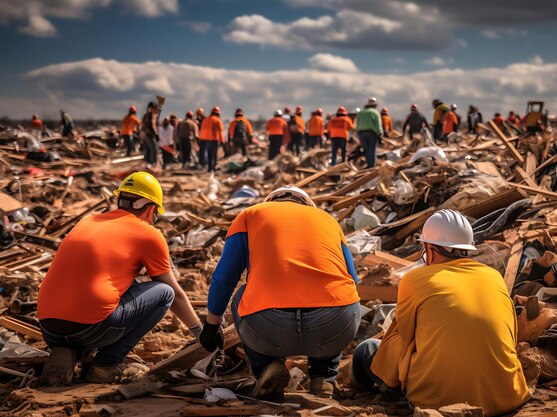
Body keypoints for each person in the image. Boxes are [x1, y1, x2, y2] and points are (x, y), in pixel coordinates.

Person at [352, 209, 530, 415]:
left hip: (438, 401)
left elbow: (404, 334)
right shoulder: (494, 276)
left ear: (432, 249)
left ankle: (360, 393)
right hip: (506, 397)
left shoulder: (415, 280)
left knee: (366, 350)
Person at [38, 172, 203, 384]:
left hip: (49, 328)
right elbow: (175, 294)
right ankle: (106, 364)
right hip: (90, 329)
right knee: (164, 293)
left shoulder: (87, 221)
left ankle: (68, 350)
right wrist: (200, 333)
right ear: (151, 209)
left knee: (122, 285)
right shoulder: (148, 234)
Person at [198, 186, 360, 400]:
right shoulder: (327, 220)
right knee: (339, 294)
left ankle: (267, 367)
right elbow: (353, 279)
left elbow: (224, 278)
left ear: (270, 202)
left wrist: (211, 325)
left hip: (269, 327)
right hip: (333, 326)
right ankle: (323, 378)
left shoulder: (250, 215)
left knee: (241, 296)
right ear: (307, 204)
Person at [355, 97, 383, 168]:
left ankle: (369, 163)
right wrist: (380, 134)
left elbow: (356, 124)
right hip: (371, 133)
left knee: (366, 149)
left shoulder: (360, 113)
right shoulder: (375, 112)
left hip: (361, 133)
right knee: (372, 150)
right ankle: (371, 165)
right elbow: (378, 125)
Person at [199, 107, 224, 173]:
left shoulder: (205, 120)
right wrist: (223, 141)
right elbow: (220, 131)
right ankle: (213, 168)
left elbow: (202, 130)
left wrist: (201, 139)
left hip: (205, 139)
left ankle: (209, 168)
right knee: (214, 155)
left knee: (208, 154)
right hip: (214, 140)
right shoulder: (217, 120)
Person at [141, 101, 163, 167]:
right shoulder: (151, 115)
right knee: (154, 149)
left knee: (147, 149)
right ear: (153, 108)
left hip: (144, 134)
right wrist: (156, 135)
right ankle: (152, 164)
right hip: (149, 134)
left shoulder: (146, 115)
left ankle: (147, 163)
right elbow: (152, 125)